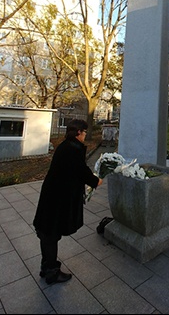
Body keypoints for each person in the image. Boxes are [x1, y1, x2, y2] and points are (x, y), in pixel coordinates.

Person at [33, 119, 102, 284]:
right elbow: (81, 170)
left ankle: (47, 267)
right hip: (56, 198)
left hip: (52, 195)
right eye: (84, 132)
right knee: (50, 233)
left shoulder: (66, 145)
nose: (85, 135)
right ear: (78, 132)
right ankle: (51, 272)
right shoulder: (73, 149)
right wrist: (95, 181)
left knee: (48, 232)